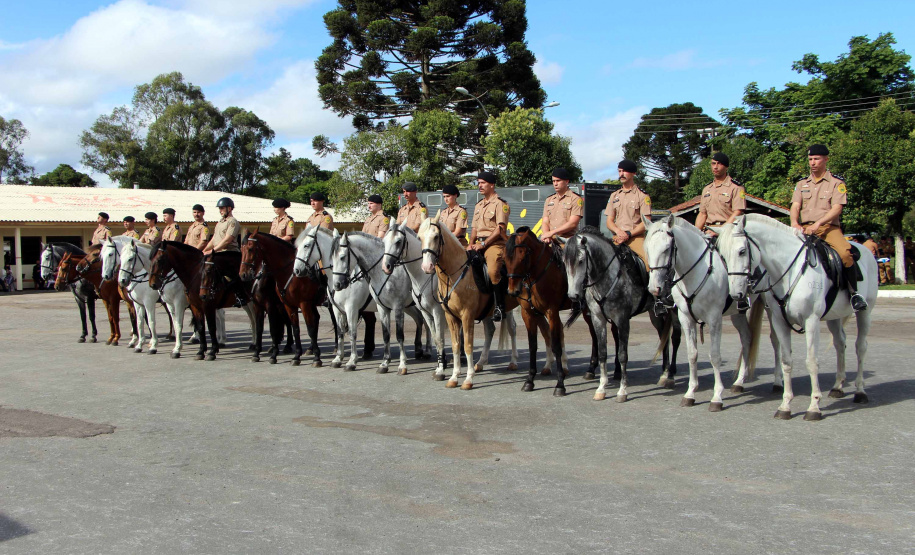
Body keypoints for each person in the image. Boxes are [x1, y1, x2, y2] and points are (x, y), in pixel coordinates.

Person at [790, 144, 866, 311]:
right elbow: (795, 205)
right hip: (804, 228)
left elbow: (837, 208)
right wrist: (794, 222)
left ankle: (854, 294)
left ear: (826, 159)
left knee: (845, 253)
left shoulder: (836, 183)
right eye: (810, 159)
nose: (813, 163)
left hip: (828, 228)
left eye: (816, 159)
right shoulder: (801, 183)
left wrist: (818, 224)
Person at [467, 171, 509, 322]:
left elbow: (500, 229)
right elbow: (474, 229)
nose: (480, 186)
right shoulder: (479, 205)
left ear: (492, 185)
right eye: (479, 183)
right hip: (478, 244)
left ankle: (500, 307)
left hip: (494, 244)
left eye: (483, 183)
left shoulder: (500, 204)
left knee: (492, 271)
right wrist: (471, 244)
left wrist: (484, 243)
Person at [605, 159, 651, 269]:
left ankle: (650, 287)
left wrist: (628, 234)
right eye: (620, 171)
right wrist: (618, 232)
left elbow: (646, 222)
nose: (621, 174)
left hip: (635, 238)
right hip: (617, 238)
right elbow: (609, 221)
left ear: (634, 173)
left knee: (649, 264)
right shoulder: (614, 196)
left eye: (625, 171)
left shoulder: (642, 196)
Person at [203, 197, 247, 306]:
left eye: (222, 208)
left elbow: (228, 240)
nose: (220, 210)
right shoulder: (220, 222)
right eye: (219, 208)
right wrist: (205, 250)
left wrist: (213, 251)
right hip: (218, 252)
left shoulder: (233, 222)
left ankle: (240, 296)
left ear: (230, 208)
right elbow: (214, 239)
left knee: (230, 273)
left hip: (230, 252)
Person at [694, 152, 747, 237]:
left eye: (719, 164)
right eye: (713, 163)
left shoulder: (736, 187)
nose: (715, 167)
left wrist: (722, 230)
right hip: (708, 232)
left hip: (728, 232)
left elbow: (738, 212)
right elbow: (702, 214)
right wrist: (695, 233)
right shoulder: (707, 189)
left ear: (726, 167)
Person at [540, 167, 583, 243]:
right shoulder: (549, 199)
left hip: (569, 241)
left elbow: (573, 223)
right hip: (551, 240)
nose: (555, 184)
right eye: (553, 181)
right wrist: (546, 234)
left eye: (558, 181)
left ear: (566, 181)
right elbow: (545, 221)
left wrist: (552, 232)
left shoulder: (575, 199)